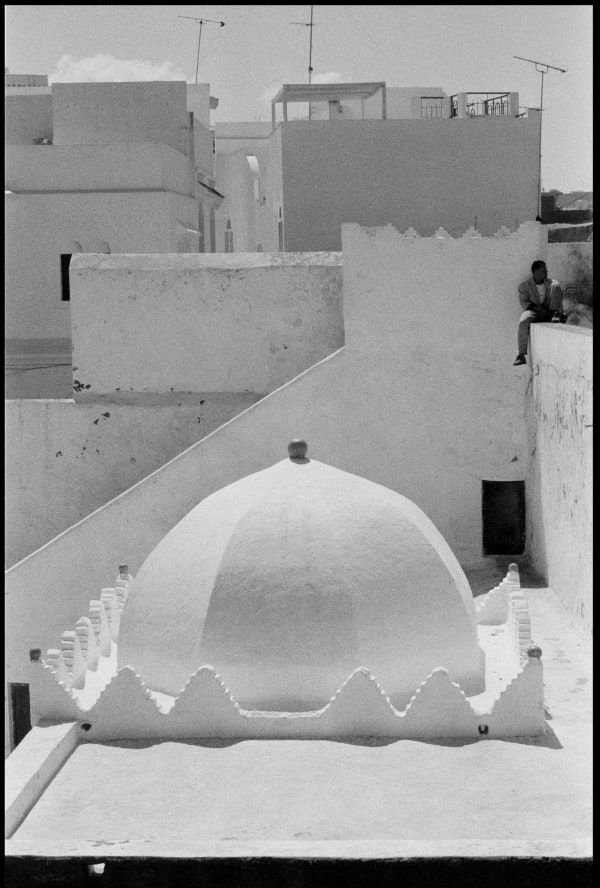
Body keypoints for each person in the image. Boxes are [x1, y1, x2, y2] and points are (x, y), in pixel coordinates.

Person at [513, 260, 564, 365]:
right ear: (536, 272)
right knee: (523, 321)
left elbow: (558, 299)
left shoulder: (551, 284)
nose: (546, 272)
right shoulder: (524, 286)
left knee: (556, 285)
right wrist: (537, 308)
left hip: (550, 310)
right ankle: (521, 354)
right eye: (544, 270)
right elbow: (524, 303)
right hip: (534, 311)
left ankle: (556, 315)